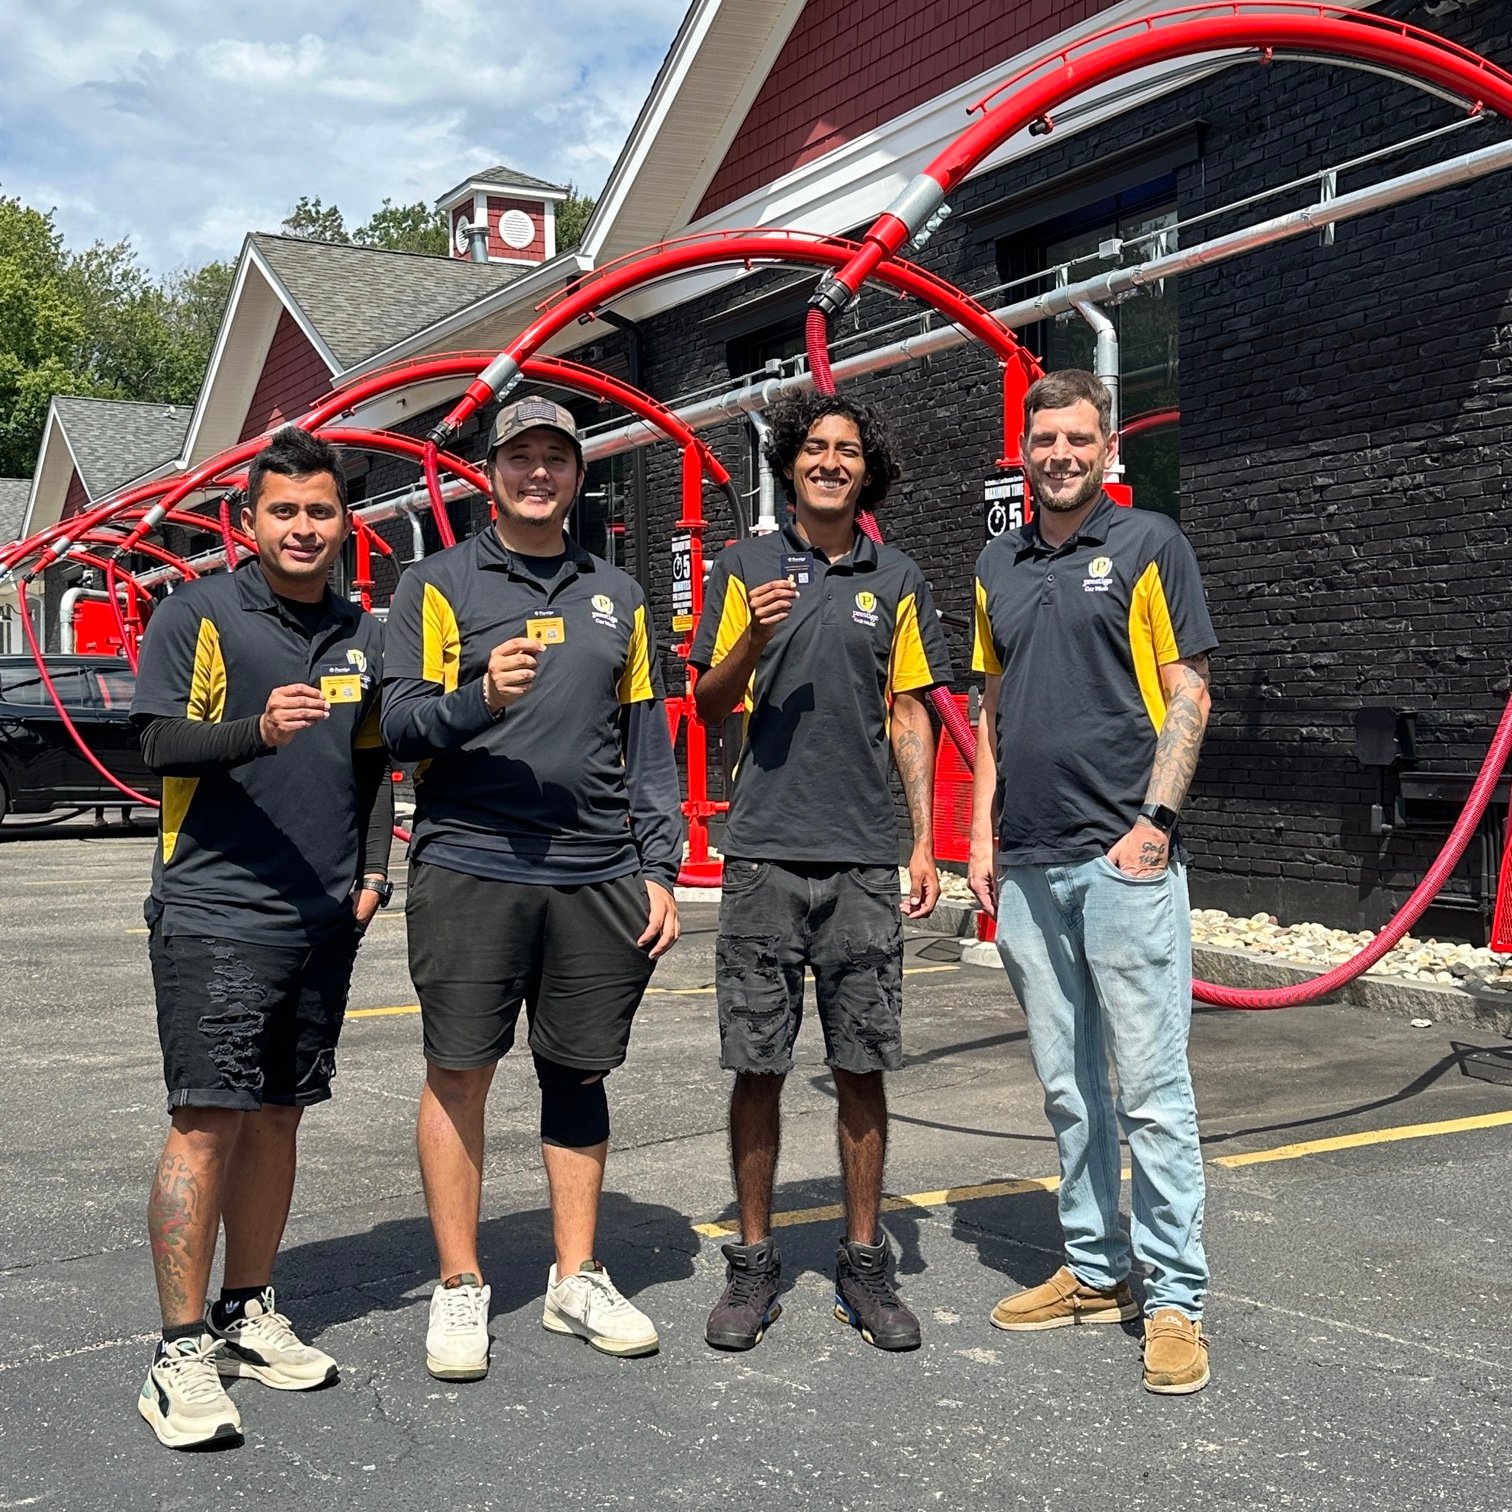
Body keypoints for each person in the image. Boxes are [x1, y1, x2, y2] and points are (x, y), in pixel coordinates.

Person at [381, 395, 682, 1381]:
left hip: (596, 870)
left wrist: (659, 866)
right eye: (520, 457)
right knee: (459, 1071)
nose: (538, 473)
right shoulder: (436, 584)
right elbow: (400, 726)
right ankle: (460, 1283)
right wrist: (481, 697)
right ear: (490, 474)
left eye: (556, 457)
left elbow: (646, 740)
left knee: (579, 1073)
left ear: (579, 474)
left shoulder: (618, 593)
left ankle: (575, 1277)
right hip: (471, 862)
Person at [131, 426, 393, 1449]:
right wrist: (257, 730)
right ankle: (178, 1352)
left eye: (320, 510)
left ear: (344, 521)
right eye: (283, 511)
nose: (302, 527)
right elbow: (155, 740)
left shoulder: (362, 632)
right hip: (216, 909)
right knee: (208, 1120)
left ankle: (246, 1310)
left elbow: (372, 762)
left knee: (280, 1116)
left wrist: (372, 872)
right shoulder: (197, 613)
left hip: (323, 915)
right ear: (249, 522)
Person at [967, 369, 1216, 1395]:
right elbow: (992, 705)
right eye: (1045, 439)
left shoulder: (1151, 543)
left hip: (1122, 861)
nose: (1061, 454)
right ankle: (1096, 1267)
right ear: (1024, 452)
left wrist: (1155, 826)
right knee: (1069, 1089)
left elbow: (1189, 690)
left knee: (1151, 1092)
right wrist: (979, 832)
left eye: (1079, 438)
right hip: (1028, 862)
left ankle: (1176, 1300)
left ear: (1107, 449)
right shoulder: (998, 561)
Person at [689, 389, 952, 1353]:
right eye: (814, 448)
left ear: (865, 471)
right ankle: (754, 1265)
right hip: (764, 852)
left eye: (847, 450)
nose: (830, 462)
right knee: (757, 1065)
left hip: (863, 860)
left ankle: (864, 1263)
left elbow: (910, 711)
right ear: (790, 465)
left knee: (862, 1065)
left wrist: (921, 842)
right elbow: (707, 704)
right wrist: (753, 636)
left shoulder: (899, 575)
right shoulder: (744, 567)